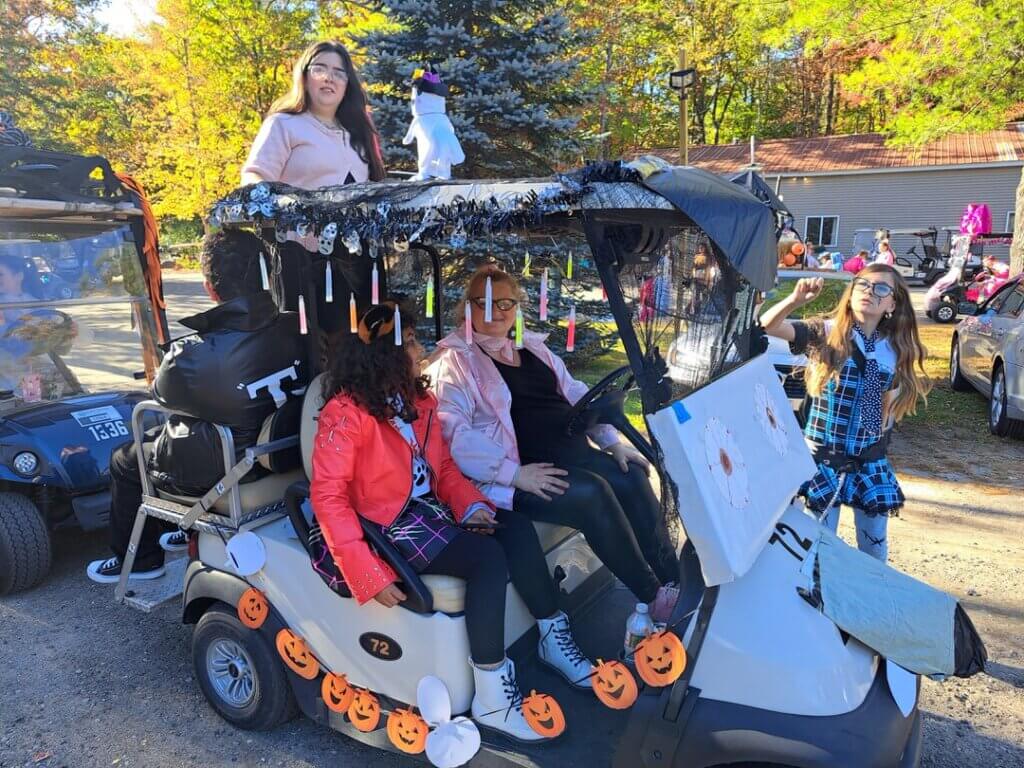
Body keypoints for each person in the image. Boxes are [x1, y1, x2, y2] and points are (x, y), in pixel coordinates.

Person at [310, 301, 592, 743]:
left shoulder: (417, 401)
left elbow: (443, 473)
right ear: (383, 353)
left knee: (512, 527)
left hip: (425, 510)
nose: (421, 348)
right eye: (411, 341)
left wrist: (473, 506)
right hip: (381, 524)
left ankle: (552, 635)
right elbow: (328, 497)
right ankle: (492, 696)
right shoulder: (345, 413)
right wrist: (365, 571)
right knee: (485, 559)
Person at [430, 266, 680, 620]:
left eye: (505, 302)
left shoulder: (532, 348)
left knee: (632, 475)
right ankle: (653, 596)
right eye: (484, 302)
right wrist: (513, 474)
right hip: (523, 473)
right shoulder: (457, 362)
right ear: (466, 308)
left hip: (570, 453)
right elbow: (454, 433)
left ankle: (674, 581)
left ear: (517, 306)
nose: (496, 311)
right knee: (591, 492)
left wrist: (611, 442)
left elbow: (575, 392)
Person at [87, 229, 308, 583]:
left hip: (235, 467)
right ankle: (184, 528)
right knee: (179, 431)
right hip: (283, 449)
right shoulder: (296, 327)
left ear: (209, 286)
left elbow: (161, 394)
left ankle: (142, 560)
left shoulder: (194, 354)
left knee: (126, 458)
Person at [759, 265, 930, 561]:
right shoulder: (826, 334)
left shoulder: (896, 350)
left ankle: (869, 600)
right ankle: (816, 603)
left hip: (868, 461)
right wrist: (796, 300)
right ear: (851, 294)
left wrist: (877, 438)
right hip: (824, 459)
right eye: (863, 285)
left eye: (881, 289)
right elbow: (768, 326)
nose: (869, 293)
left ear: (892, 304)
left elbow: (885, 413)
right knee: (818, 550)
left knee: (874, 552)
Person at [241, 40, 387, 332]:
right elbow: (253, 178)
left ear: (347, 84)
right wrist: (286, 205)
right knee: (318, 347)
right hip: (304, 259)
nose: (329, 77)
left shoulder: (359, 131)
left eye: (339, 72)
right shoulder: (284, 124)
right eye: (320, 68)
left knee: (366, 342)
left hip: (359, 258)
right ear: (304, 76)